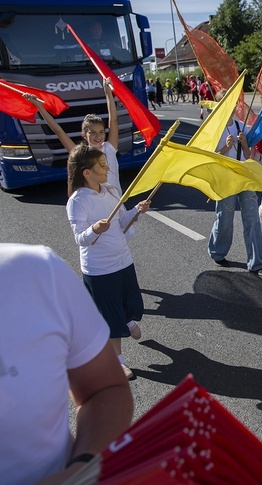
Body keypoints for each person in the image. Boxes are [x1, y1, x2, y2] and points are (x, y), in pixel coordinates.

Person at [0, 243, 133, 485]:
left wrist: (81, 469)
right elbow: (84, 236)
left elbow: (105, 390)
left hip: (114, 265)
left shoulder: (36, 272)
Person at [66, 144, 150, 380]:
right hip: (100, 269)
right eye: (101, 166)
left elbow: (122, 222)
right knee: (110, 317)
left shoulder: (112, 190)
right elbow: (80, 239)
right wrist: (94, 229)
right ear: (86, 172)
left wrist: (137, 210)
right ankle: (118, 362)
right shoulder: (77, 201)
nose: (107, 169)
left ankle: (127, 318)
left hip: (122, 260)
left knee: (131, 302)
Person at [207, 90, 262, 277]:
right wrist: (226, 147)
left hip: (244, 177)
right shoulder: (214, 129)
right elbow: (210, 158)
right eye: (227, 104)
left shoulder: (241, 126)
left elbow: (248, 156)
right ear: (219, 106)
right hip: (225, 179)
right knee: (224, 218)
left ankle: (257, 263)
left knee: (252, 218)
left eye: (234, 104)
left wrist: (244, 144)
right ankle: (218, 252)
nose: (232, 108)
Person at [24, 77, 122, 193]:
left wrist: (108, 93)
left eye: (101, 132)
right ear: (84, 134)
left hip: (117, 202)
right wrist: (39, 106)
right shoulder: (81, 154)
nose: (98, 136)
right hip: (95, 204)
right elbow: (58, 131)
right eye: (93, 132)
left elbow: (113, 120)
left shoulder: (109, 148)